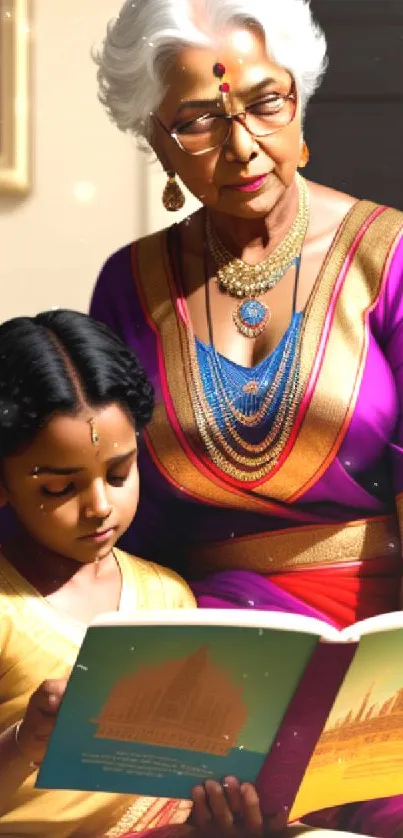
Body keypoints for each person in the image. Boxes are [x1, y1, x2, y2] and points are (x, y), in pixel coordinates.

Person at [89, 0, 403, 834]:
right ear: (154, 140)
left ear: (299, 98)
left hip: (383, 636)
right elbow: (121, 508)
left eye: (265, 101)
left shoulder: (389, 257)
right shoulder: (129, 284)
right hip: (216, 650)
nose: (242, 145)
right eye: (197, 121)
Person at [0, 309, 269, 838]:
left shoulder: (167, 596)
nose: (100, 505)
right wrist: (24, 742)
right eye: (60, 489)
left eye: (119, 473)